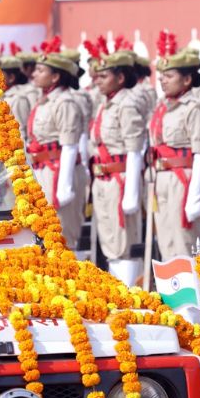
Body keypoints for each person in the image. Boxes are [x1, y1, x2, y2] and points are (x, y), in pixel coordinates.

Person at [148, 47, 200, 261]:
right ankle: (172, 294)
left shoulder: (194, 107)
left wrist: (195, 197)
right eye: (161, 77)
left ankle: (191, 294)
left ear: (186, 80)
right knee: (166, 245)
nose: (163, 81)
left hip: (182, 180)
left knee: (184, 245)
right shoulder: (162, 107)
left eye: (169, 76)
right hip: (162, 179)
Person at [88, 54, 146, 283]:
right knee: (109, 240)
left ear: (120, 77)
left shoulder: (127, 104)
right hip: (103, 179)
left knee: (123, 242)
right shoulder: (105, 105)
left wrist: (131, 193)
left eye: (104, 76)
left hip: (120, 178)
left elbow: (134, 149)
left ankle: (130, 294)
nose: (98, 80)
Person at [25, 53, 88, 250]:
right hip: (43, 171)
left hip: (59, 172)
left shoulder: (65, 103)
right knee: (43, 234)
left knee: (62, 235)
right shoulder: (43, 101)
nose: (34, 74)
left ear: (55, 77)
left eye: (40, 70)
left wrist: (65, 186)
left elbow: (69, 146)